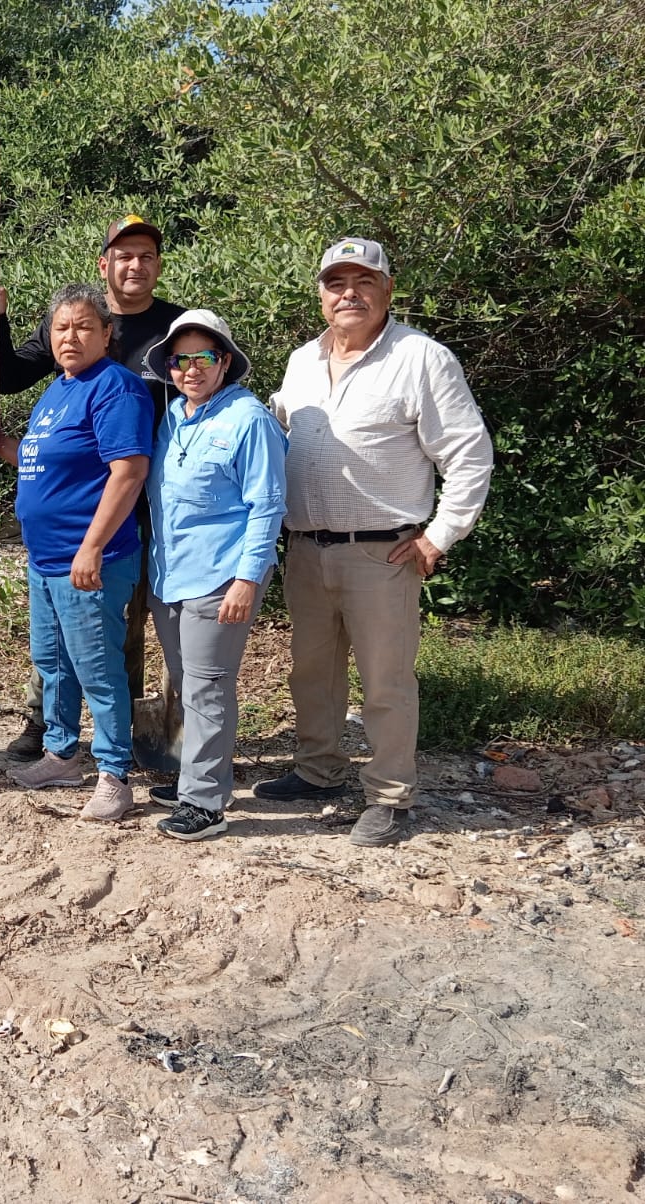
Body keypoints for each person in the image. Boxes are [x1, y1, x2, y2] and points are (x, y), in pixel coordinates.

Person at [258, 238, 492, 847]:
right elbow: (274, 429)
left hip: (384, 553)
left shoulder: (423, 358)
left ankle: (391, 796)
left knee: (386, 681)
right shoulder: (300, 361)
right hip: (306, 548)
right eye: (337, 283)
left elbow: (469, 454)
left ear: (388, 289)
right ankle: (320, 771)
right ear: (321, 294)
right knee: (312, 672)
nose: (349, 294)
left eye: (364, 281)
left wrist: (440, 536)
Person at [0, 215, 187, 760]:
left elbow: (210, 391)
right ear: (104, 264)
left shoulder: (177, 330)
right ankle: (48, 728)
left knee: (134, 625)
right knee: (58, 631)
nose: (135, 265)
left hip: (158, 501)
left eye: (146, 255)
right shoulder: (69, 340)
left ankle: (139, 741)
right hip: (86, 504)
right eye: (124, 255)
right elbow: (10, 376)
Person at [1, 283, 152, 819]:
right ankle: (61, 755)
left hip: (91, 560)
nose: (71, 336)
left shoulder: (116, 388)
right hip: (45, 561)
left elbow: (128, 472)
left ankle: (114, 775)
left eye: (84, 326)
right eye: (61, 327)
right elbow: (44, 465)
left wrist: (92, 547)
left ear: (107, 335)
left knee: (97, 668)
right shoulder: (58, 390)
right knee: (53, 662)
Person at [140, 310, 286, 841]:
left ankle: (204, 805)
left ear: (225, 361)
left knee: (208, 688)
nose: (190, 369)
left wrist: (247, 580)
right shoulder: (175, 415)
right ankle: (200, 781)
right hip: (170, 575)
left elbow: (267, 504)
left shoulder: (249, 420)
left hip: (221, 575)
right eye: (180, 360)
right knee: (188, 684)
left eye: (203, 357)